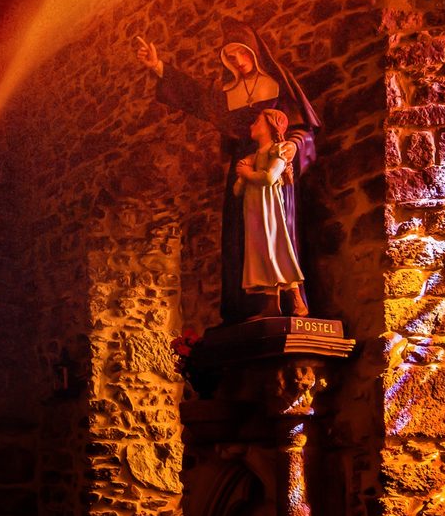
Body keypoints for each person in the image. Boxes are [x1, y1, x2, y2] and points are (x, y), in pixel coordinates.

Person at [136, 17, 321, 322]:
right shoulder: (226, 93)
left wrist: (292, 147)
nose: (238, 61)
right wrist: (159, 67)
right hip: (243, 171)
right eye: (230, 56)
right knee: (244, 238)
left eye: (242, 53)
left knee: (278, 235)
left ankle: (293, 304)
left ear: (254, 52)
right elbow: (194, 97)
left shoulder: (277, 83)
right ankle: (250, 307)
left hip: (275, 174)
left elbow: (303, 130)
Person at [233, 108, 306, 317]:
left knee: (276, 250)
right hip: (254, 212)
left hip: (270, 210)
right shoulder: (254, 157)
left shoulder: (278, 151)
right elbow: (237, 190)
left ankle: (297, 301)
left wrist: (247, 173)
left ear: (271, 126)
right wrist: (242, 176)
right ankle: (271, 306)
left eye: (257, 121)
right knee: (262, 255)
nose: (251, 125)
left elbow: (269, 178)